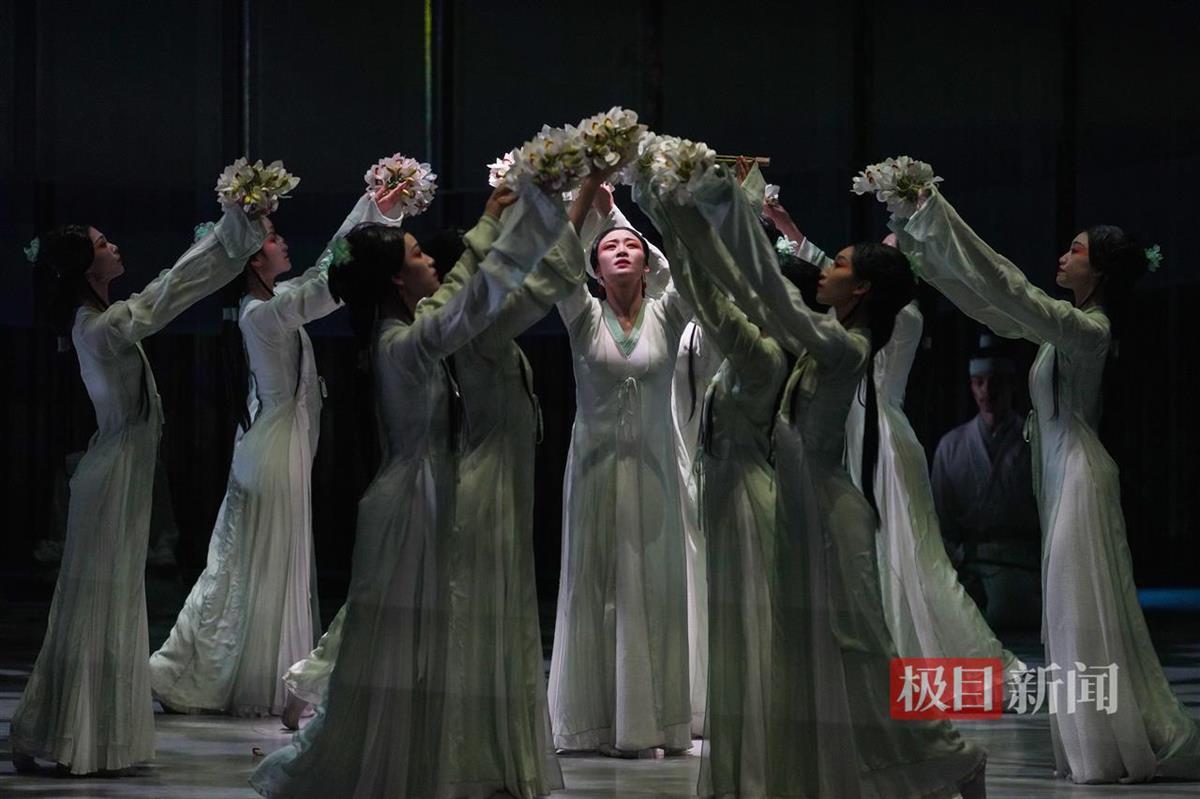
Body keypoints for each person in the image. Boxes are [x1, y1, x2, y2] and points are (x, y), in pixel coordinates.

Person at [250, 182, 568, 798]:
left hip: (427, 495)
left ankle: (420, 761)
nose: (430, 263)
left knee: (422, 642)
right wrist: (489, 224)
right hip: (411, 503)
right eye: (419, 255)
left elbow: (461, 301)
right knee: (400, 643)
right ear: (398, 279)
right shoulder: (400, 343)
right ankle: (387, 767)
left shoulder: (404, 333)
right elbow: (461, 301)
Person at [689, 161, 987, 798]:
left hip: (830, 512)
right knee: (807, 650)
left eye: (840, 265)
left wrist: (724, 211)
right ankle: (827, 774)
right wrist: (697, 224)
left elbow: (771, 297)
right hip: (799, 510)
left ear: (861, 290)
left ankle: (953, 754)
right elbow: (754, 299)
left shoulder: (846, 347)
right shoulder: (824, 337)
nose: (824, 270)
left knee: (863, 646)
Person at [893, 185, 1200, 783]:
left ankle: (1103, 747)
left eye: (1076, 250)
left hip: (1081, 479)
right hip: (1063, 474)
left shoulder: (1089, 331)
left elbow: (1012, 288)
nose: (1063, 256)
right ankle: (1093, 743)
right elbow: (990, 300)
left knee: (1080, 615)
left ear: (1100, 270)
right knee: (1069, 617)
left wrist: (936, 211)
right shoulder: (1066, 328)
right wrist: (921, 241)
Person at [12, 203, 266, 775]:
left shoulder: (103, 319)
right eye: (103, 243)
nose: (114, 247)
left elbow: (170, 288)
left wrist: (233, 233)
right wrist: (232, 231)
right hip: (110, 476)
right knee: (96, 603)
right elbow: (170, 292)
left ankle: (89, 732)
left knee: (112, 601)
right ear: (85, 265)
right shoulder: (98, 327)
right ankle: (66, 730)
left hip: (121, 471)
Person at [149, 184, 408, 717]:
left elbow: (319, 273)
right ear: (251, 258)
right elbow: (323, 288)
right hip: (272, 449)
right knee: (259, 564)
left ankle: (256, 670)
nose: (282, 242)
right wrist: (371, 232)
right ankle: (248, 674)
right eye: (271, 237)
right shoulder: (259, 314)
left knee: (261, 562)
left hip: (279, 441)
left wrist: (375, 210)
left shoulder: (272, 302)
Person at [760, 184, 1023, 678]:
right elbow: (827, 276)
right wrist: (787, 228)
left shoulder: (900, 319)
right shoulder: (865, 314)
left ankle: (952, 661)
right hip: (851, 430)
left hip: (881, 438)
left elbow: (834, 278)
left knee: (911, 552)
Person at [638, 188, 787, 797]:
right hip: (690, 461)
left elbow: (697, 282)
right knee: (697, 581)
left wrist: (673, 210)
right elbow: (670, 273)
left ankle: (746, 705)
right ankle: (702, 698)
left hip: (733, 478)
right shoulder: (691, 317)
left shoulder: (750, 336)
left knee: (735, 593)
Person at [548, 184, 694, 757]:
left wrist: (640, 212)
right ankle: (594, 722)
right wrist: (589, 194)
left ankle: (652, 721)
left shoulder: (668, 313)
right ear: (595, 268)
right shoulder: (584, 315)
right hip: (594, 473)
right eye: (609, 246)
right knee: (596, 587)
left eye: (632, 245)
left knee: (652, 588)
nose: (623, 249)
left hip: (654, 474)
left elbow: (687, 270)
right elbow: (558, 257)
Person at [931, 335, 1041, 628]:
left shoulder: (1035, 443)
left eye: (996, 382)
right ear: (971, 386)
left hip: (1021, 563)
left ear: (1012, 385)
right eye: (979, 382)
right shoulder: (951, 446)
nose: (987, 391)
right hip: (968, 562)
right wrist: (958, 562)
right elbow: (941, 520)